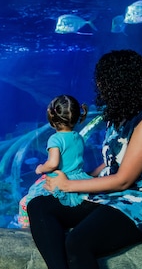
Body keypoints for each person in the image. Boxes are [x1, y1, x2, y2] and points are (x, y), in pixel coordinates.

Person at [27, 49, 142, 269]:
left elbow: (123, 180)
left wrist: (68, 185)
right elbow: (112, 164)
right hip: (114, 195)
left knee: (78, 242)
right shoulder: (119, 115)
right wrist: (83, 177)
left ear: (119, 81)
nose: (98, 85)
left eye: (102, 80)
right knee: (39, 205)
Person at [18, 95, 92, 228]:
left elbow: (53, 164)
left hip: (59, 180)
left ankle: (27, 232)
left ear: (52, 119)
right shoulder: (78, 137)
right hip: (78, 179)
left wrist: (40, 168)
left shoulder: (55, 139)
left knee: (24, 203)